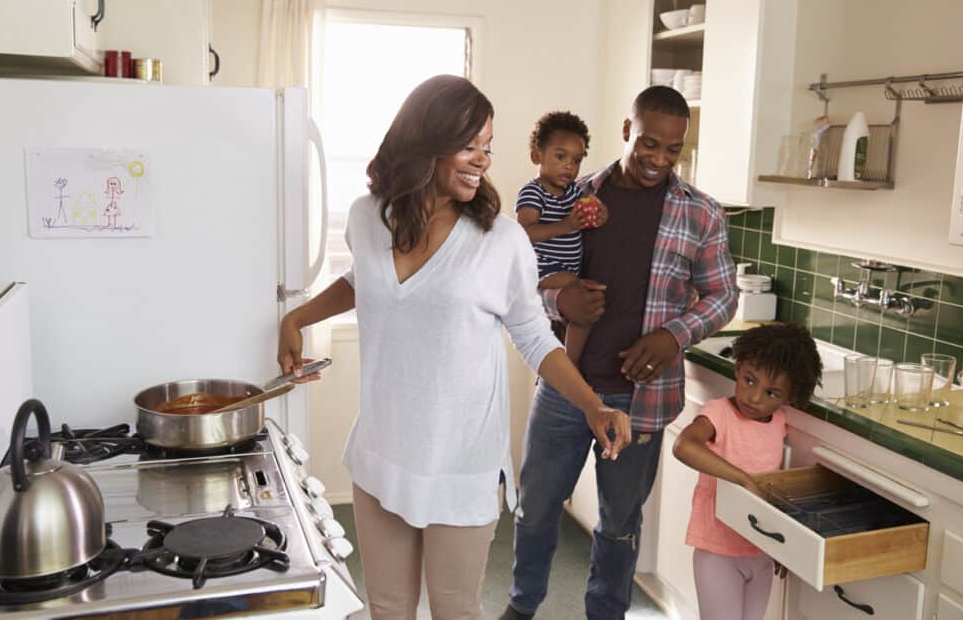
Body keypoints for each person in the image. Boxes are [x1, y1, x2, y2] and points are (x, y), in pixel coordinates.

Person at [276, 75, 632, 620]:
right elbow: (362, 282)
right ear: (426, 141)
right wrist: (298, 317)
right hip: (382, 452)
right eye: (470, 146)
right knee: (389, 607)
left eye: (488, 147)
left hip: (462, 462)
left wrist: (593, 405)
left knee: (455, 610)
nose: (483, 160)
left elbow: (535, 336)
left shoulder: (501, 241)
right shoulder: (368, 216)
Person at [501, 86, 739, 620]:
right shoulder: (575, 196)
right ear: (627, 131)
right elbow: (524, 280)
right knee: (536, 509)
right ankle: (521, 606)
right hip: (566, 387)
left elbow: (724, 296)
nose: (659, 159)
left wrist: (673, 334)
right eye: (649, 143)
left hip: (644, 399)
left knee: (620, 523)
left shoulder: (700, 214)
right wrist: (559, 297)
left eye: (673, 150)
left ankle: (605, 613)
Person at [673, 323, 822, 620]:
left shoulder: (780, 422)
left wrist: (783, 545)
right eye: (750, 381)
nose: (755, 398)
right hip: (718, 552)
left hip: (761, 550)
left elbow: (779, 487)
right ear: (738, 368)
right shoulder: (719, 414)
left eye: (772, 392)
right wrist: (742, 478)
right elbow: (683, 446)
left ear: (789, 398)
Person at [515, 111, 607, 364]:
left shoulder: (574, 191)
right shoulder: (533, 192)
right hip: (543, 266)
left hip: (567, 267)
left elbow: (593, 213)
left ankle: (569, 359)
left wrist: (600, 214)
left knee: (584, 310)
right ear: (537, 155)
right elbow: (525, 233)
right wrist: (566, 225)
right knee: (584, 299)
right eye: (560, 156)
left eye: (577, 160)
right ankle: (570, 364)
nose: (569, 165)